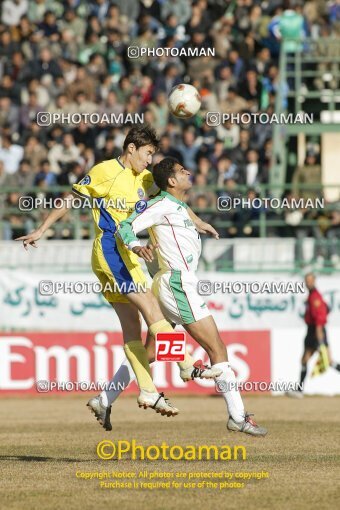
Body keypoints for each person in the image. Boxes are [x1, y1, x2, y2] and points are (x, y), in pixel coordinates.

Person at [15, 125, 220, 426]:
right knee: (154, 313)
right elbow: (71, 199)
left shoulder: (147, 179)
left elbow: (172, 201)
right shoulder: (103, 172)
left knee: (134, 329)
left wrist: (198, 221)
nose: (150, 161)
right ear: (132, 149)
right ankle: (187, 365)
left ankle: (145, 391)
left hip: (130, 256)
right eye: (148, 154)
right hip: (110, 250)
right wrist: (43, 229)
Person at [104, 157, 267, 437]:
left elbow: (178, 208)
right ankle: (237, 416)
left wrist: (199, 221)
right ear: (171, 181)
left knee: (151, 352)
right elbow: (127, 226)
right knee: (217, 348)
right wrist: (136, 246)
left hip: (175, 283)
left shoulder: (176, 204)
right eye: (182, 171)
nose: (188, 172)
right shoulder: (160, 204)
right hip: (177, 283)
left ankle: (104, 399)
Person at [288, 273, 340, 398]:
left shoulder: (315, 297)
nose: (308, 283)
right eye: (306, 281)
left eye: (310, 281)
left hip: (317, 332)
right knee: (305, 360)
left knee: (328, 361)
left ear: (314, 281)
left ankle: (299, 390)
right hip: (312, 331)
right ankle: (299, 390)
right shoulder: (311, 296)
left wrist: (320, 339)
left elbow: (319, 320)